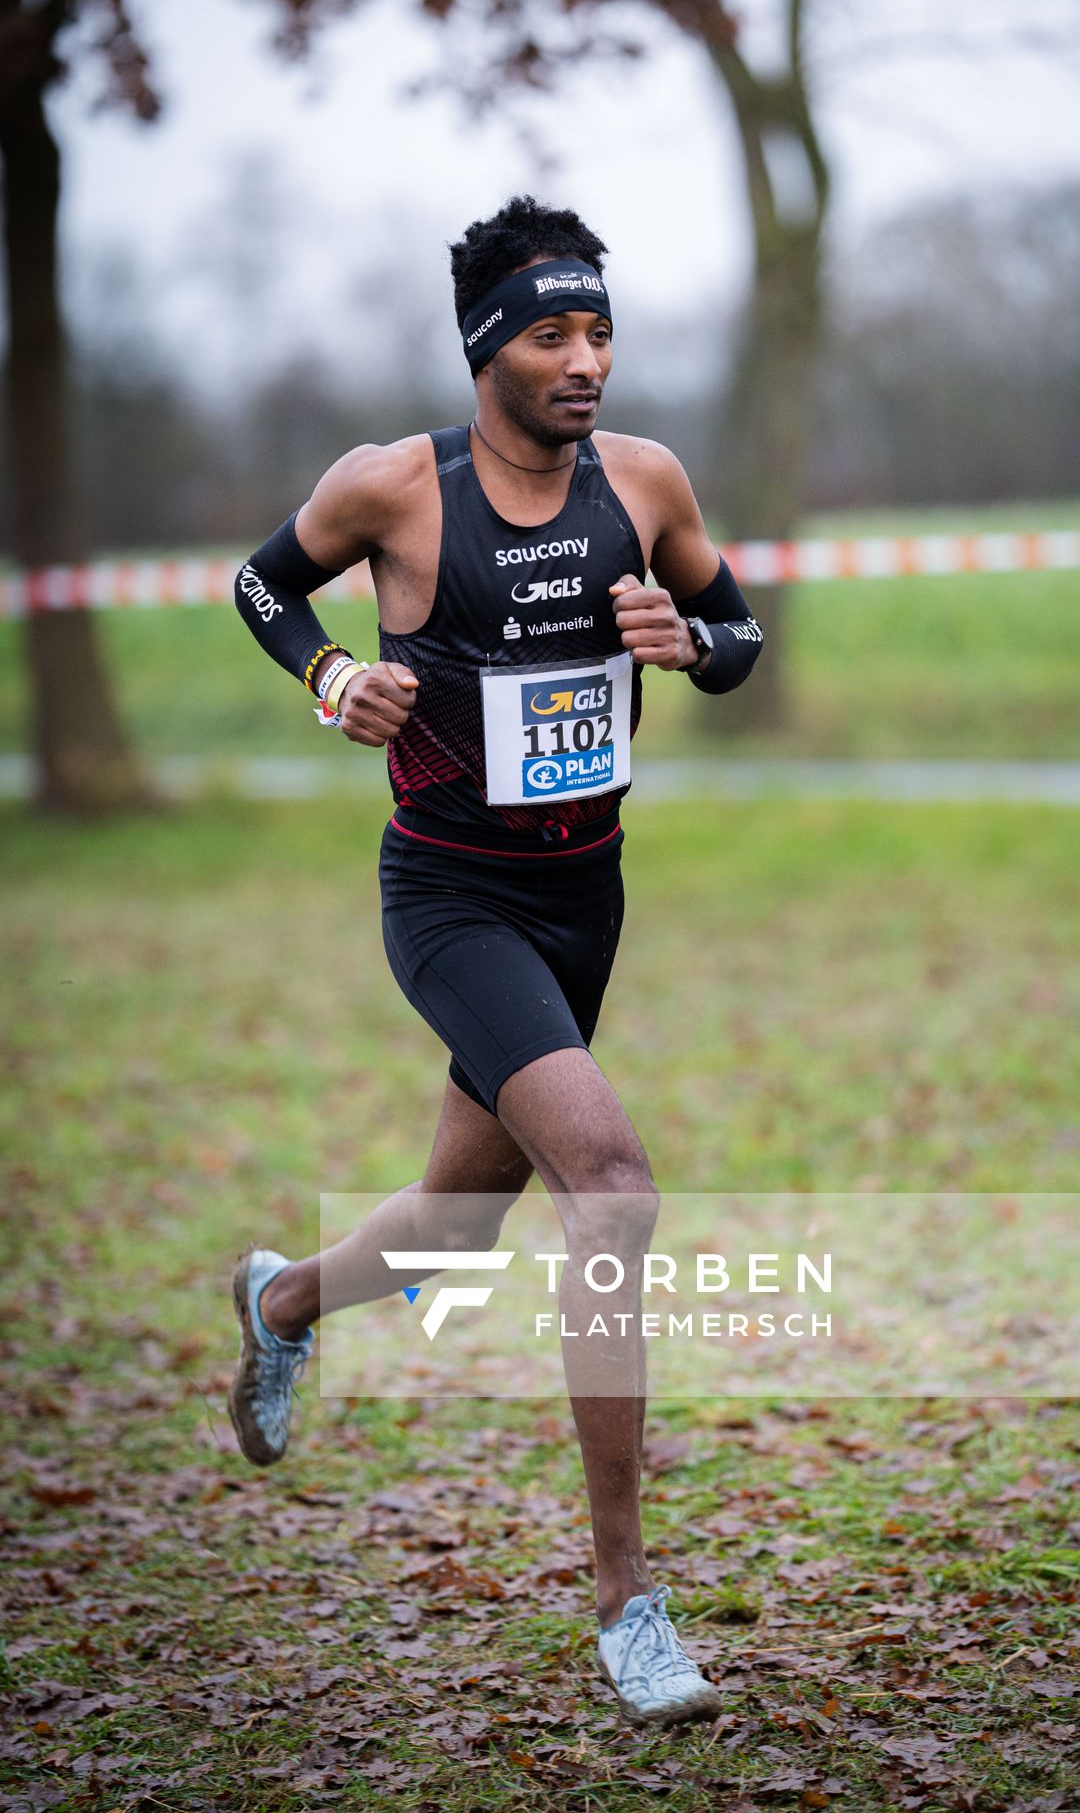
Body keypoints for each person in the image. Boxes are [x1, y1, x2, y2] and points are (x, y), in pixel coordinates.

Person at [227, 194, 764, 1728]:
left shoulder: (645, 479)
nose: (584, 358)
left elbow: (741, 639)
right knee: (612, 1179)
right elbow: (263, 585)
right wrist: (333, 674)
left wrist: (691, 646)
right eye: (553, 333)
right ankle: (630, 1606)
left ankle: (278, 1307)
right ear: (488, 349)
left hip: (587, 897)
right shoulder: (396, 490)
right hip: (452, 899)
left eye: (599, 330)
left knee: (459, 1225)